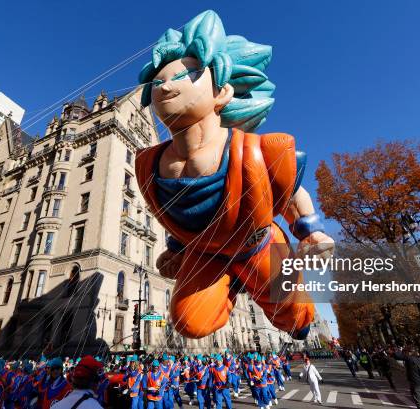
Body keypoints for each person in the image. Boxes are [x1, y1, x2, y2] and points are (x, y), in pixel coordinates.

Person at [135, 9, 333, 342]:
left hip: (257, 244)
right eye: (157, 81)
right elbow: (176, 215)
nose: (166, 85)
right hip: (205, 253)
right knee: (190, 322)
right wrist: (176, 249)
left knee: (294, 316)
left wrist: (309, 231)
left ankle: (292, 312)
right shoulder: (150, 165)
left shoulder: (257, 150)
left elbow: (290, 191)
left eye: (189, 73)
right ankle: (232, 283)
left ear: (222, 92)